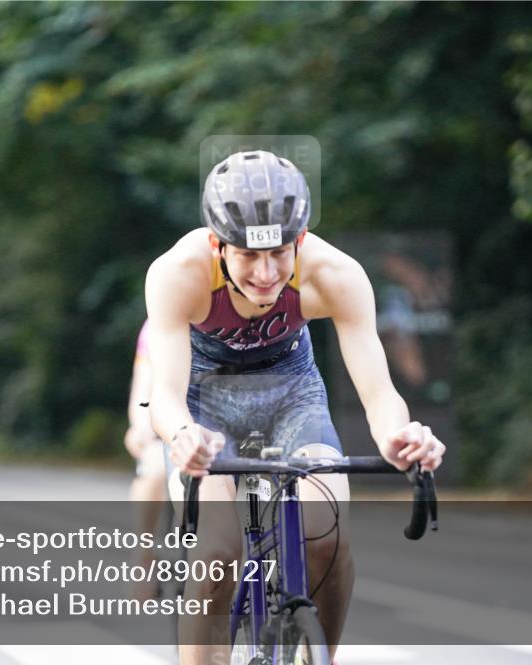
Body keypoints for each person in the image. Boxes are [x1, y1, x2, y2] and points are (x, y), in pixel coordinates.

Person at [145, 150, 446, 664]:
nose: (265, 274)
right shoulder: (178, 273)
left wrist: (401, 437)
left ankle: (320, 655)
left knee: (328, 534)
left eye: (280, 253)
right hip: (205, 404)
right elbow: (166, 395)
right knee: (218, 550)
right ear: (217, 244)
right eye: (246, 256)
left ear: (300, 240)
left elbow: (379, 395)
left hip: (292, 393)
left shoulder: (335, 275)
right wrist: (182, 436)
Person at [123, 318, 168, 600]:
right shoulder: (155, 327)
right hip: (164, 423)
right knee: (155, 468)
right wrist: (141, 427)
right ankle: (144, 555)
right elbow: (143, 390)